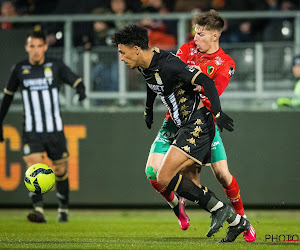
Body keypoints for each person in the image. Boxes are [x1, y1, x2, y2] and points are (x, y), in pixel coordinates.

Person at [113, 24, 251, 243]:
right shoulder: (144, 65)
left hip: (197, 123)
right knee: (158, 175)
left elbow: (205, 80)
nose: (120, 57)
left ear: (136, 49)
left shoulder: (169, 64)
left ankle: (220, 210)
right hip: (180, 124)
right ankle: (236, 222)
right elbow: (152, 84)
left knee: (166, 177)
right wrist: (148, 110)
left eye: (122, 51)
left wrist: (218, 113)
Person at [0, 30, 86, 223]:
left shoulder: (55, 66)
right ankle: (38, 209)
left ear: (45, 47)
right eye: (32, 46)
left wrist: (80, 89)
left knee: (60, 170)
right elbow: (7, 97)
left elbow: (74, 78)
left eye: (40, 46)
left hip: (54, 130)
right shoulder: (19, 69)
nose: (36, 50)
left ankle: (63, 209)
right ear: (27, 48)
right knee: (33, 166)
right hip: (32, 130)